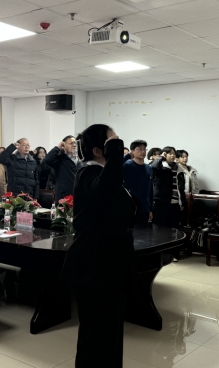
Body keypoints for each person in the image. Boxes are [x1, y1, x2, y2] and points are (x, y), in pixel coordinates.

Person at [62, 124, 137, 368]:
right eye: (113, 142)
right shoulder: (88, 174)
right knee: (96, 336)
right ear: (98, 150)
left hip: (109, 264)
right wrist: (115, 149)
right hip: (93, 266)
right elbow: (107, 186)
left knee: (110, 334)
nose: (119, 145)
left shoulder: (102, 174)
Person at [150, 146, 186, 229]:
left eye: (174, 154)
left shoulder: (179, 170)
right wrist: (161, 157)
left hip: (175, 204)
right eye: (170, 153)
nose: (173, 155)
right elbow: (153, 167)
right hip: (162, 203)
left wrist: (182, 202)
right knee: (160, 228)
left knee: (174, 229)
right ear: (165, 155)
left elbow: (181, 188)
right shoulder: (161, 167)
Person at [44, 136, 82, 203]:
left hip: (77, 196)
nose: (74, 145)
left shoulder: (80, 161)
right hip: (63, 197)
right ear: (64, 146)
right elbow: (47, 160)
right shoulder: (59, 160)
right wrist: (58, 148)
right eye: (71, 143)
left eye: (75, 143)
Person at [124, 140, 154, 224]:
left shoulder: (149, 168)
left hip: (144, 208)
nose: (143, 151)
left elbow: (150, 190)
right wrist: (127, 156)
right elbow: (116, 166)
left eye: (144, 149)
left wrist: (150, 209)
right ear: (132, 151)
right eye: (140, 149)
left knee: (144, 231)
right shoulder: (127, 165)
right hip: (130, 207)